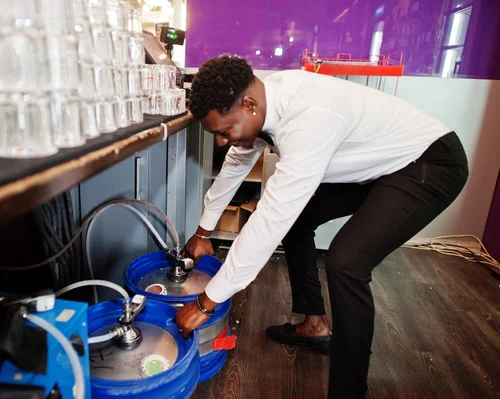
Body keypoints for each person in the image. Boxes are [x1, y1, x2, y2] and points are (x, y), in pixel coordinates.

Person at [174, 55, 469, 398]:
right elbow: (236, 164)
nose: (222, 142)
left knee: (348, 262)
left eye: (224, 132)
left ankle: (348, 392)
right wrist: (203, 233)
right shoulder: (263, 100)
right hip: (379, 164)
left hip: (429, 162)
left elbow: (270, 220)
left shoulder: (310, 119)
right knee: (299, 222)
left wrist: (205, 303)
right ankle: (314, 325)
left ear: (250, 105)